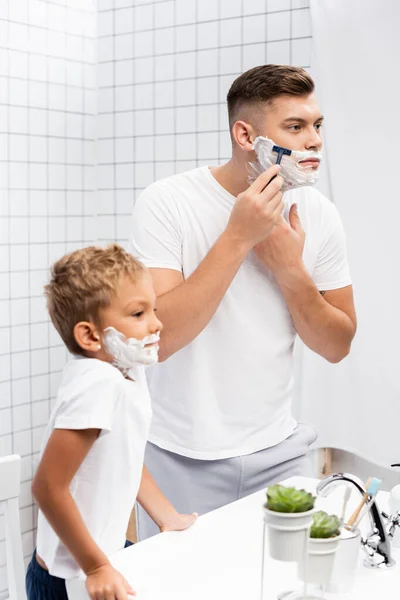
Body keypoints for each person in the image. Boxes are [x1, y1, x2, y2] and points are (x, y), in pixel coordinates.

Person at [129, 65, 357, 540]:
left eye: (317, 126)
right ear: (245, 135)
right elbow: (159, 340)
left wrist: (290, 271)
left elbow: (337, 345)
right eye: (295, 127)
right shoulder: (168, 202)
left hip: (280, 452)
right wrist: (237, 237)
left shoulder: (320, 215)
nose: (314, 140)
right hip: (178, 457)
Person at [26, 244, 197, 600]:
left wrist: (167, 516)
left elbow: (127, 457)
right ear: (90, 336)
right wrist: (96, 567)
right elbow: (47, 487)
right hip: (68, 577)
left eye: (153, 309)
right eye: (138, 314)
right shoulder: (97, 385)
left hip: (100, 552)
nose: (157, 323)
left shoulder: (123, 371)